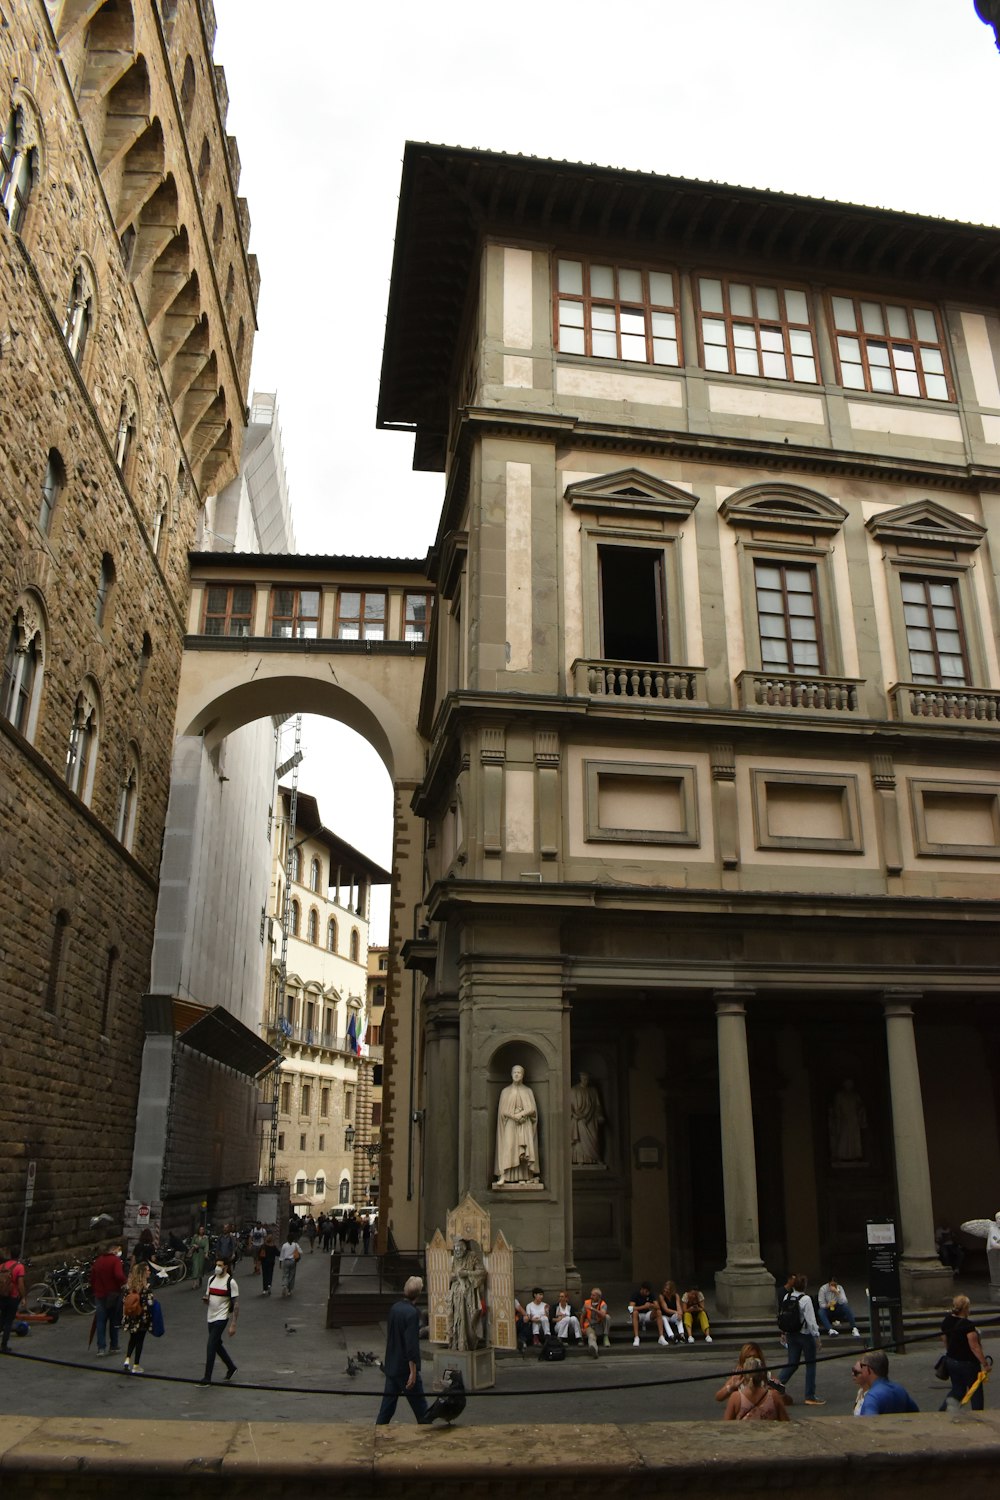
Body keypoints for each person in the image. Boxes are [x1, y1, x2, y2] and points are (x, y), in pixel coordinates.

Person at [376, 1275, 430, 1425]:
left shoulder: (395, 1308)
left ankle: (377, 1433)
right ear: (419, 1294)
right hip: (405, 1369)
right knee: (422, 1410)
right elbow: (411, 1345)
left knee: (386, 1409)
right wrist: (413, 1371)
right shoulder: (412, 1314)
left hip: (392, 1365)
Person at [777, 1274, 824, 1406]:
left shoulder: (787, 1296)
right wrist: (817, 1337)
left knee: (792, 1363)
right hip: (805, 1335)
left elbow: (784, 1315)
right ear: (804, 1285)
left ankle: (775, 1385)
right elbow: (811, 1320)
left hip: (791, 1333)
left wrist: (784, 1332)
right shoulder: (806, 1299)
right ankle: (810, 1395)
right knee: (810, 1364)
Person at [939, 1293, 990, 1411]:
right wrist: (985, 1364)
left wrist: (950, 1352)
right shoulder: (968, 1325)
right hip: (968, 1364)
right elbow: (974, 1347)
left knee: (957, 1390)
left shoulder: (947, 1320)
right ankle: (979, 1414)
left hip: (951, 1361)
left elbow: (944, 1338)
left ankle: (942, 1411)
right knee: (976, 1390)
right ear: (966, 1308)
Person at [494, 1064, 541, 1185]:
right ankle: (505, 1175)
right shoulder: (505, 1091)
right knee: (509, 1147)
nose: (516, 1074)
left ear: (522, 1075)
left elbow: (533, 1109)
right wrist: (514, 1116)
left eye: (519, 1072)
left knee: (524, 1151)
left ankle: (525, 1176)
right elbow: (502, 1111)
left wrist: (522, 1114)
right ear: (511, 1074)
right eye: (514, 1072)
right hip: (510, 1123)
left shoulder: (527, 1091)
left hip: (524, 1124)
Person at [199, 1256, 238, 1385]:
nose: (217, 1268)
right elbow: (208, 1296)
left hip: (221, 1318)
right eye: (217, 1265)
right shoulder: (211, 1279)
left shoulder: (231, 1282)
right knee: (216, 1345)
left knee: (211, 1345)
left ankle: (207, 1377)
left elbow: (235, 1304)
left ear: (226, 1267)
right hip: (210, 1316)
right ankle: (231, 1367)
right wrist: (206, 1300)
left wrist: (233, 1324)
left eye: (220, 1265)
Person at [715, 1341, 788, 1404]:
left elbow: (788, 1401)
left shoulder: (767, 1375)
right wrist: (731, 1387)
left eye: (754, 1357)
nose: (751, 1360)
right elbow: (719, 1397)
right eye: (748, 1357)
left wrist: (779, 1391)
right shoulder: (739, 1376)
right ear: (743, 1359)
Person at [446, 1238, 486, 1351]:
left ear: (465, 1247)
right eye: (455, 1248)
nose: (457, 1250)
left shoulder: (472, 1256)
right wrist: (452, 1276)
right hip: (455, 1294)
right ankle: (457, 1342)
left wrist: (467, 1273)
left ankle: (468, 1342)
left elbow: (482, 1273)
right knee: (455, 1318)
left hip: (469, 1295)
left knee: (468, 1319)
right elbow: (450, 1273)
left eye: (460, 1247)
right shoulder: (454, 1259)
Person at [851, 1350, 918, 1415]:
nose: (860, 1368)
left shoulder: (872, 1397)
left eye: (862, 1366)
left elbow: (870, 1423)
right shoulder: (900, 1390)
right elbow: (917, 1414)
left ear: (868, 1369)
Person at [723, 1357, 790, 1421]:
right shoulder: (774, 1396)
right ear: (762, 1375)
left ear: (744, 1376)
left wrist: (731, 1387)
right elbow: (786, 1423)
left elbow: (727, 1424)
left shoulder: (735, 1397)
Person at [90, 1240, 127, 1356]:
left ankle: (101, 1347)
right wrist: (124, 1283)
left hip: (100, 1295)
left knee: (101, 1321)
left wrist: (96, 1289)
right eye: (118, 1249)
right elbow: (119, 1275)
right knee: (113, 1320)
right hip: (113, 1295)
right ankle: (114, 1345)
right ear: (114, 1249)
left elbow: (91, 1278)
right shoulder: (115, 1261)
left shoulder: (98, 1261)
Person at [122, 1262, 153, 1374]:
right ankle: (136, 1365)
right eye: (147, 1270)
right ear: (143, 1273)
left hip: (131, 1317)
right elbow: (149, 1303)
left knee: (132, 1340)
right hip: (142, 1318)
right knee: (140, 1341)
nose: (149, 1272)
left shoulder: (129, 1287)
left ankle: (127, 1360)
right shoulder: (145, 1288)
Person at [569, 1072, 604, 1165]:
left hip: (591, 1118)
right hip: (579, 1119)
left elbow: (598, 1105)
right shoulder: (574, 1090)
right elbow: (569, 1106)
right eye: (583, 1078)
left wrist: (600, 1115)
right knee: (580, 1140)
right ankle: (580, 1159)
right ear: (580, 1078)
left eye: (587, 1078)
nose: (585, 1080)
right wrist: (575, 1115)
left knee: (594, 1138)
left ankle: (594, 1158)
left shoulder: (593, 1091)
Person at [829, 1078, 867, 1164]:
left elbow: (860, 1106)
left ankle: (855, 1155)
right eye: (847, 1083)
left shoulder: (855, 1095)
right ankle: (842, 1155)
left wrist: (860, 1112)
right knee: (844, 1137)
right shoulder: (839, 1095)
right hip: (844, 1119)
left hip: (854, 1119)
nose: (849, 1085)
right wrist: (838, 1117)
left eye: (851, 1083)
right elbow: (836, 1108)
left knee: (854, 1137)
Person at [0, 1244, 26, 1355]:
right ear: (19, 1255)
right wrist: (23, 1296)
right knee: (8, 1322)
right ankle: (4, 1346)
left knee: (1, 1319)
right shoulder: (19, 1267)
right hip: (13, 1297)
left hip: (2, 1296)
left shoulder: (2, 1266)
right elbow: (20, 1284)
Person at [582, 1287, 611, 1356]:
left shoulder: (603, 1304)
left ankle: (605, 1336)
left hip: (600, 1325)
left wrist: (592, 1309)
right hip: (590, 1326)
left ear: (598, 1296)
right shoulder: (587, 1303)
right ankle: (594, 1350)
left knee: (607, 1317)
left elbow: (603, 1314)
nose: (591, 1297)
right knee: (591, 1337)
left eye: (593, 1295)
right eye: (591, 1295)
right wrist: (582, 1328)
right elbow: (582, 1316)